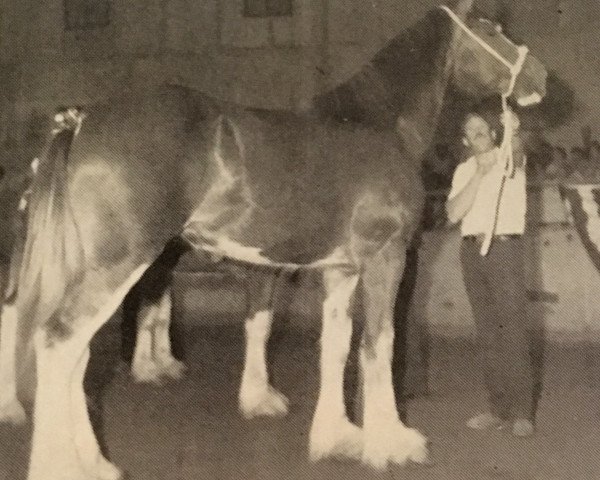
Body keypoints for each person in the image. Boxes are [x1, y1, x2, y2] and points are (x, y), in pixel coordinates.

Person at [446, 110, 535, 437]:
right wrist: (478, 176)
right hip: (471, 251)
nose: (478, 131)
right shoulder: (463, 170)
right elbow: (453, 213)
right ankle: (498, 408)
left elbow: (519, 149)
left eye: (483, 127)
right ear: (465, 140)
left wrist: (514, 128)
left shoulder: (508, 157)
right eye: (471, 129)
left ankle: (523, 412)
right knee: (487, 332)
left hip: (504, 250)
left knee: (513, 328)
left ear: (493, 133)